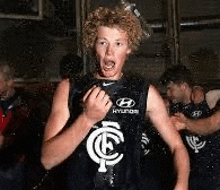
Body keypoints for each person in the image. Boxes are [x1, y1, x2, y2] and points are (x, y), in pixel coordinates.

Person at [41, 6, 189, 190]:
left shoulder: (144, 92)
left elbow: (177, 146)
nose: (109, 52)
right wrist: (86, 119)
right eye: (103, 43)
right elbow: (47, 159)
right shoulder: (69, 88)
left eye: (118, 44)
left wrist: (182, 184)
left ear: (128, 48)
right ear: (94, 45)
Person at [160, 64, 220, 190]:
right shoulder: (174, 108)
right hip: (192, 175)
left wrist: (198, 88)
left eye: (171, 89)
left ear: (183, 86)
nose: (168, 93)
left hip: (213, 175)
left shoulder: (207, 100)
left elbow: (212, 123)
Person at [0, 63, 51, 189]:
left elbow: (33, 139)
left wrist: (8, 140)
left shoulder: (28, 105)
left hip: (15, 166)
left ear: (9, 82)